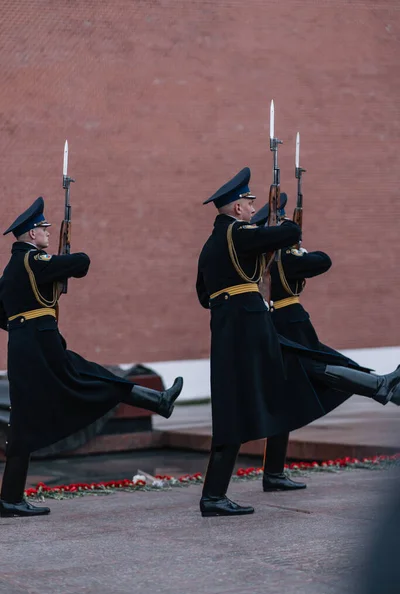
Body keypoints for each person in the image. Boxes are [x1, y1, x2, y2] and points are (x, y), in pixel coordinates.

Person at [196, 168, 400, 518]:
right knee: (293, 371)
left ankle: (379, 385)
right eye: (247, 202)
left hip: (237, 328)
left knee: (251, 395)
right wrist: (278, 218)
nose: (250, 206)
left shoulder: (213, 244)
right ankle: (379, 385)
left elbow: (203, 296)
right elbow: (290, 233)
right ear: (235, 209)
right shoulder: (237, 234)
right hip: (248, 328)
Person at [0, 197, 183, 518]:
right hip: (41, 348)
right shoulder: (33, 261)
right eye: (43, 228)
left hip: (27, 347)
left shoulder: (12, 269)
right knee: (92, 379)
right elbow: (82, 263)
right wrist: (65, 256)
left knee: (25, 418)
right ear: (30, 234)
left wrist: (22, 326)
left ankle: (10, 498)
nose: (46, 232)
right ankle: (159, 402)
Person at [251, 194, 400, 493]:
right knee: (322, 368)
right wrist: (299, 249)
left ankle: (274, 473)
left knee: (289, 396)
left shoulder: (268, 256)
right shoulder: (286, 257)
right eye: (282, 220)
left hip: (281, 323)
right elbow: (324, 261)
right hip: (292, 324)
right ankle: (380, 386)